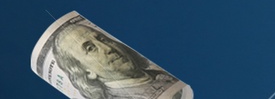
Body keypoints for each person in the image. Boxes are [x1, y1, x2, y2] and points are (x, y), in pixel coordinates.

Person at [49, 21, 180, 99]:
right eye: (90, 48)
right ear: (87, 72)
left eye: (102, 39)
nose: (107, 48)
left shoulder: (158, 73)